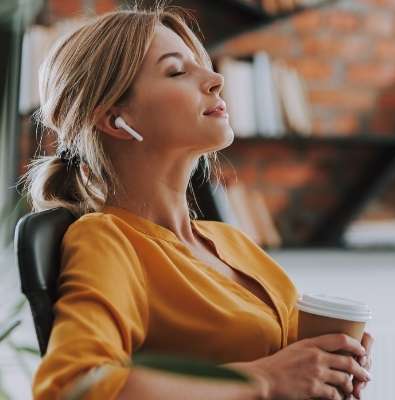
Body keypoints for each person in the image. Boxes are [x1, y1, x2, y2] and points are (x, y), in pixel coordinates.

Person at [21, 5, 374, 400]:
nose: (216, 79)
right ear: (114, 118)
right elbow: (72, 387)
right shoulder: (108, 241)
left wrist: (332, 362)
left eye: (201, 65)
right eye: (176, 71)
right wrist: (263, 381)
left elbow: (289, 363)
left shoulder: (231, 243)